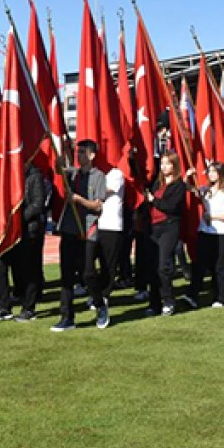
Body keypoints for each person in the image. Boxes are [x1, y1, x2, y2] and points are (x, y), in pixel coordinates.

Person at [52, 140, 106, 331]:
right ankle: (67, 317)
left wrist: (79, 200)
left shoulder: (98, 176)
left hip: (87, 231)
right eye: (77, 152)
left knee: (87, 273)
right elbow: (59, 170)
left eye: (83, 152)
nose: (79, 155)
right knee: (66, 274)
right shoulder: (73, 174)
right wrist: (60, 155)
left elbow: (98, 205)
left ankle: (99, 304)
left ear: (92, 155)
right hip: (69, 229)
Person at [0, 161, 49, 322]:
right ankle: (3, 307)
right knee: (1, 266)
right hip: (7, 231)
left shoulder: (34, 175)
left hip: (27, 229)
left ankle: (28, 308)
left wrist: (16, 220)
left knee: (27, 269)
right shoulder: (5, 176)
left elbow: (38, 204)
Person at [187, 162, 224, 308]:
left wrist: (213, 216)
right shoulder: (205, 190)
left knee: (219, 267)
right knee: (199, 265)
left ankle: (220, 297)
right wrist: (187, 176)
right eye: (209, 172)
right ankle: (192, 295)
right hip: (204, 232)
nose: (211, 174)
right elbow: (188, 188)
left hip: (220, 234)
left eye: (214, 172)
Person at [144, 152, 188, 316]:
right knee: (153, 267)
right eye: (162, 164)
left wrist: (152, 200)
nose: (164, 167)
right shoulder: (158, 184)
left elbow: (171, 206)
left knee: (164, 266)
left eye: (167, 164)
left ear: (174, 166)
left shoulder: (178, 186)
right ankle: (154, 302)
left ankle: (168, 300)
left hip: (169, 227)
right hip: (154, 227)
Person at [94, 162, 126, 328]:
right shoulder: (98, 174)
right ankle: (97, 292)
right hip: (96, 224)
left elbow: (104, 191)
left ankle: (104, 295)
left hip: (112, 225)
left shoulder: (116, 174)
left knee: (109, 262)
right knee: (94, 261)